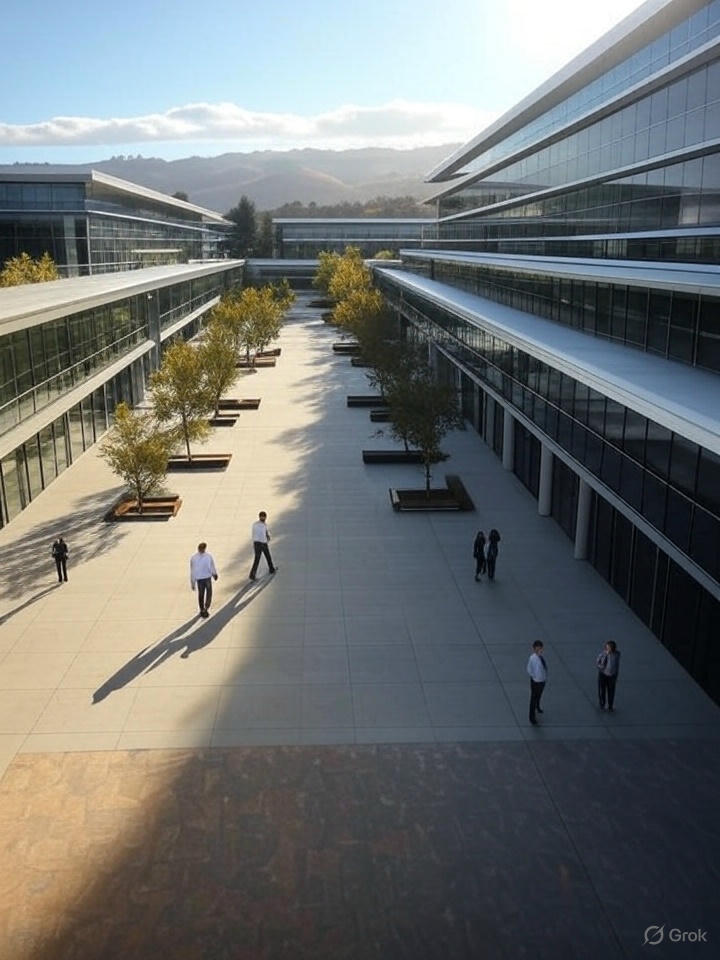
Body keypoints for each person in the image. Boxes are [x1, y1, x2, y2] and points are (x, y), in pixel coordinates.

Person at [190, 542, 218, 618]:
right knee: (205, 594)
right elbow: (211, 566)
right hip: (205, 578)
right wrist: (214, 574)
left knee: (203, 594)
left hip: (202, 578)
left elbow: (211, 566)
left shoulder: (195, 558)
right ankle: (204, 609)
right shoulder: (206, 556)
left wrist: (214, 574)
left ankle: (204, 609)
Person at [249, 511, 277, 580]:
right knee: (268, 556)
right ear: (264, 517)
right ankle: (271, 569)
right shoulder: (264, 525)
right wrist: (267, 539)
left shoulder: (254, 524)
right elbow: (264, 534)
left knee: (257, 560)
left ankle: (252, 575)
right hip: (263, 543)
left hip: (256, 543)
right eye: (264, 517)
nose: (264, 518)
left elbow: (254, 533)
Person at [527, 640, 547, 725]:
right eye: (537, 649)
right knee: (533, 699)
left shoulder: (541, 657)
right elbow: (529, 669)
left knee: (539, 695)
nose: (539, 651)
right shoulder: (532, 658)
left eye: (540, 649)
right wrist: (535, 677)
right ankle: (532, 717)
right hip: (536, 682)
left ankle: (537, 706)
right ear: (534, 649)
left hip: (542, 680)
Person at [597, 640, 621, 711]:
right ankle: (602, 704)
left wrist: (616, 676)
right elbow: (598, 663)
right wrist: (605, 655)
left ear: (612, 648)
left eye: (609, 648)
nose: (607, 649)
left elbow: (617, 665)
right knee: (602, 690)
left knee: (611, 691)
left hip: (612, 675)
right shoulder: (602, 654)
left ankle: (610, 705)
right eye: (606, 647)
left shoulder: (616, 655)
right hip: (603, 674)